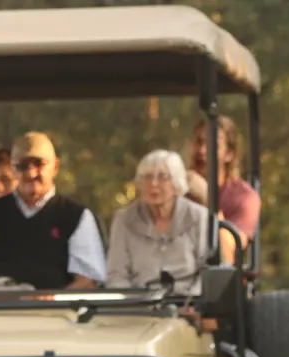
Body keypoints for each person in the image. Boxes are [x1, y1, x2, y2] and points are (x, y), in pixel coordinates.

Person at [0, 131, 106, 290]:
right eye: (22, 166)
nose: (31, 173)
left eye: (39, 164)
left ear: (55, 167)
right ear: (13, 169)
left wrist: (53, 301)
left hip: (56, 313)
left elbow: (88, 280)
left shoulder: (76, 216)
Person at [106, 150, 210, 294]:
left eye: (163, 177)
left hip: (189, 304)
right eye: (147, 177)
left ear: (176, 184)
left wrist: (194, 304)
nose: (153, 183)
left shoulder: (199, 217)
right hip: (139, 306)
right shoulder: (124, 220)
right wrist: (130, 305)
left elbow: (208, 272)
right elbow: (116, 276)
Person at [184, 115, 261, 264]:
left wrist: (207, 198)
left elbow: (228, 251)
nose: (202, 150)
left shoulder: (244, 197)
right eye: (198, 142)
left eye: (213, 145)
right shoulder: (173, 192)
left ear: (229, 154)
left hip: (218, 282)